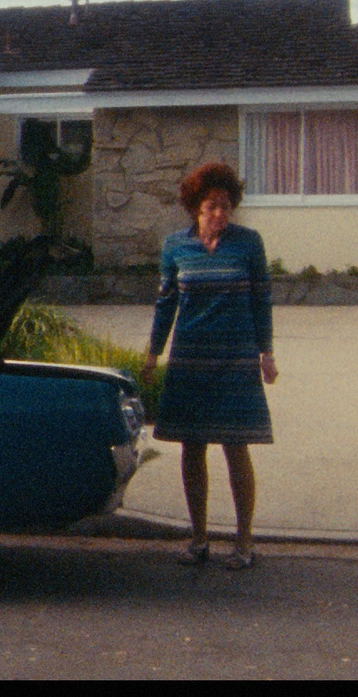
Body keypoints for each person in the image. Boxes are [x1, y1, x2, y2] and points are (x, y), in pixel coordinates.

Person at [142, 162, 278, 571]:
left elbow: (261, 301)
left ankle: (244, 543)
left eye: (225, 206)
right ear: (195, 209)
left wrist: (266, 353)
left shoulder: (249, 243)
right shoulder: (175, 246)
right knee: (192, 447)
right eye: (210, 207)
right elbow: (166, 303)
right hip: (190, 359)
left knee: (237, 447)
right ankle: (198, 538)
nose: (219, 214)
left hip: (236, 360)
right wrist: (153, 352)